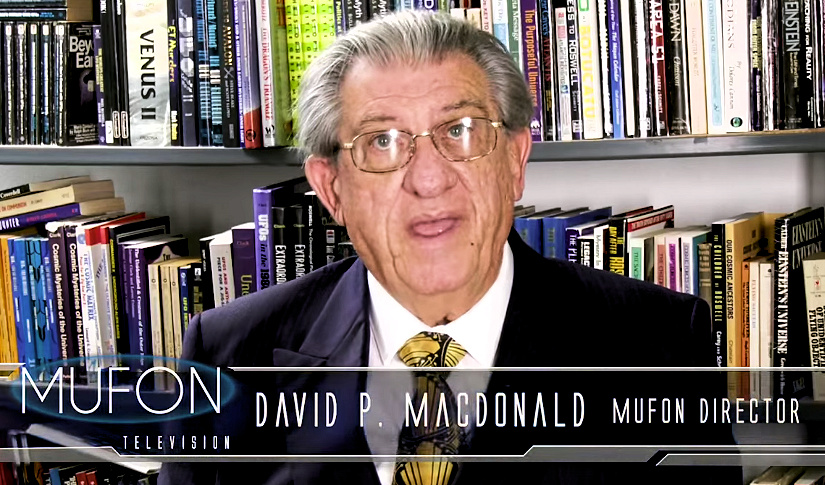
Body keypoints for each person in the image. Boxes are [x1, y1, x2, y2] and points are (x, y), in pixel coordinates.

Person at [159, 11, 737, 485]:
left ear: (514, 161)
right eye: (382, 142)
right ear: (331, 189)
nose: (429, 179)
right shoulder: (228, 354)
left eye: (460, 131)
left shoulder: (658, 345)